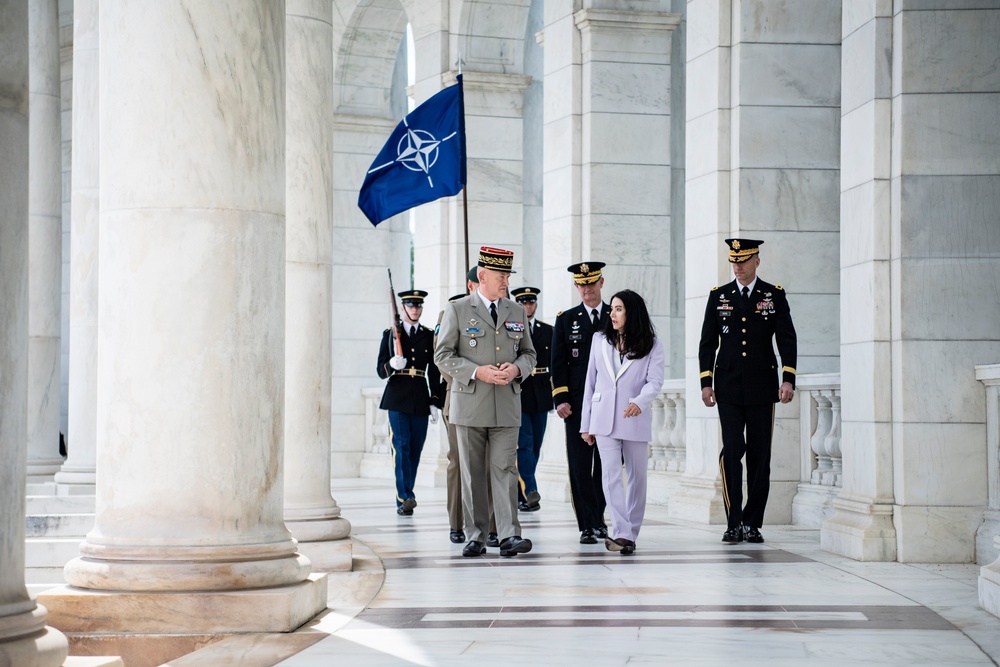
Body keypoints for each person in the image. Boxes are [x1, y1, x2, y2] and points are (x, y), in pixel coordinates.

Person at [434, 247, 537, 558]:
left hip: (506, 405)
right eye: (500, 276)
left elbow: (530, 354)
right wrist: (477, 371)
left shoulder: (517, 311)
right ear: (482, 277)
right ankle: (476, 535)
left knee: (505, 469)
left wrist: (518, 368)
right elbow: (442, 356)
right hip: (469, 406)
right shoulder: (457, 310)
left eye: (507, 275)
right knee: (472, 473)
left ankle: (508, 535)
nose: (506, 281)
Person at [699, 238, 797, 544]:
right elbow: (707, 343)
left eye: (743, 260)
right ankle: (733, 521)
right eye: (734, 261)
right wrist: (706, 382)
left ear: (757, 260)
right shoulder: (719, 296)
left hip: (761, 385)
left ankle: (753, 522)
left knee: (759, 455)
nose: (738, 266)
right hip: (727, 387)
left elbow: (786, 339)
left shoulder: (773, 295)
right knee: (731, 452)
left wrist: (788, 378)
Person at [580, 290, 664, 555]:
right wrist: (586, 424)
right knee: (611, 476)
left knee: (637, 479)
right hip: (603, 418)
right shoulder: (599, 340)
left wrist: (640, 401)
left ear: (632, 312)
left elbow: (655, 381)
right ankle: (621, 533)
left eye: (618, 309)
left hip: (633, 418)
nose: (612, 314)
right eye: (612, 309)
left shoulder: (652, 344)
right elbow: (590, 382)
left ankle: (631, 531)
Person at [551, 262, 610, 544]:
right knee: (579, 464)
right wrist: (560, 398)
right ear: (577, 287)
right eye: (582, 284)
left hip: (609, 402)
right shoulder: (566, 319)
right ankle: (586, 523)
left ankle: (599, 517)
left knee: (606, 463)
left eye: (592, 283)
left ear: (601, 283)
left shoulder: (615, 315)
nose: (587, 289)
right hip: (576, 404)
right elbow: (557, 363)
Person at [377, 289, 446, 515]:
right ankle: (404, 497)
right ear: (403, 308)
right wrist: (392, 365)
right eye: (411, 305)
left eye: (418, 305)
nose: (415, 309)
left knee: (415, 449)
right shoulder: (390, 334)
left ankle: (408, 492)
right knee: (402, 446)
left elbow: (434, 371)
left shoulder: (427, 335)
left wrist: (435, 400)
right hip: (397, 398)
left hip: (419, 398)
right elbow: (380, 369)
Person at [434, 267, 482, 544]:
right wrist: (473, 379)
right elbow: (443, 360)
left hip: (494, 400)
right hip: (460, 397)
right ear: (471, 284)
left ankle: (491, 525)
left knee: (492, 465)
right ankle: (457, 522)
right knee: (458, 462)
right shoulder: (452, 312)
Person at [510, 286, 553, 512]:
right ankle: (530, 491)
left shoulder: (548, 331)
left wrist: (556, 394)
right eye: (524, 302)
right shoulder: (511, 331)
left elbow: (555, 365)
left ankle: (522, 491)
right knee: (523, 443)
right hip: (520, 391)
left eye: (531, 302)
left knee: (535, 445)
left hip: (542, 394)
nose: (528, 306)